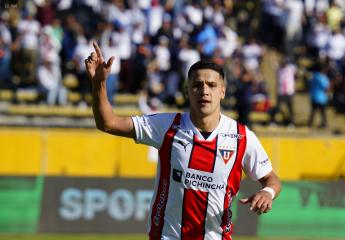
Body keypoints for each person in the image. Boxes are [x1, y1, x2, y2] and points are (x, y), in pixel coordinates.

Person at [85, 42, 281, 240]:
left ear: (222, 91)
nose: (204, 91)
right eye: (197, 85)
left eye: (212, 85)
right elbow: (108, 123)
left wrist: (267, 192)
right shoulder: (166, 125)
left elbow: (271, 179)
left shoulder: (242, 137)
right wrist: (99, 84)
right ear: (188, 91)